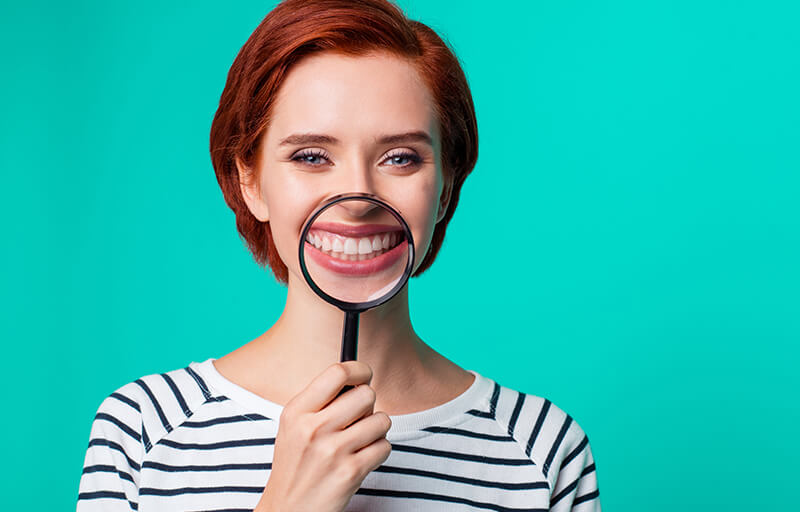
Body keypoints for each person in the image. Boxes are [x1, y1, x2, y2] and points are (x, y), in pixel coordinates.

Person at [77, 0, 602, 510]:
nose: (357, 199)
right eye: (311, 156)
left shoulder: (541, 451)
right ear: (250, 180)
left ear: (445, 188)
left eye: (400, 157)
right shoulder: (145, 431)